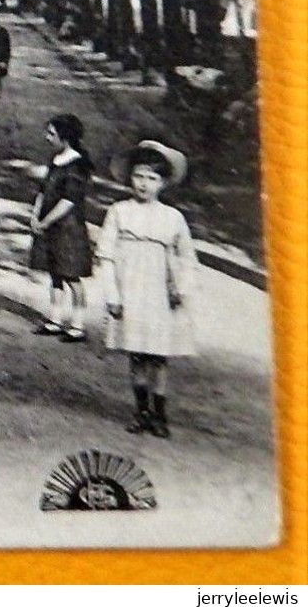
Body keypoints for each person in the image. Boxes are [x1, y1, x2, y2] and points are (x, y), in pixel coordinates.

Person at [98, 140, 196, 438]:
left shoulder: (172, 218)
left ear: (163, 184)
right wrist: (113, 296)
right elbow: (106, 255)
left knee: (158, 354)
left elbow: (186, 257)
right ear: (130, 178)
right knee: (137, 353)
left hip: (160, 292)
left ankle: (160, 413)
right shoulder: (119, 211)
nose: (144, 184)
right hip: (131, 290)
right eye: (139, 176)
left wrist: (181, 288)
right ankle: (141, 411)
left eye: (152, 178)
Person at [28, 114, 95, 342]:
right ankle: (55, 319)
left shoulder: (76, 166)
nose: (47, 138)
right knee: (55, 274)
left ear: (65, 138)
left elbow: (68, 201)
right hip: (51, 227)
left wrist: (45, 221)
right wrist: (36, 215)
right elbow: (43, 190)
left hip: (68, 229)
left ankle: (78, 325)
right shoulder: (56, 160)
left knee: (72, 277)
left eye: (52, 134)